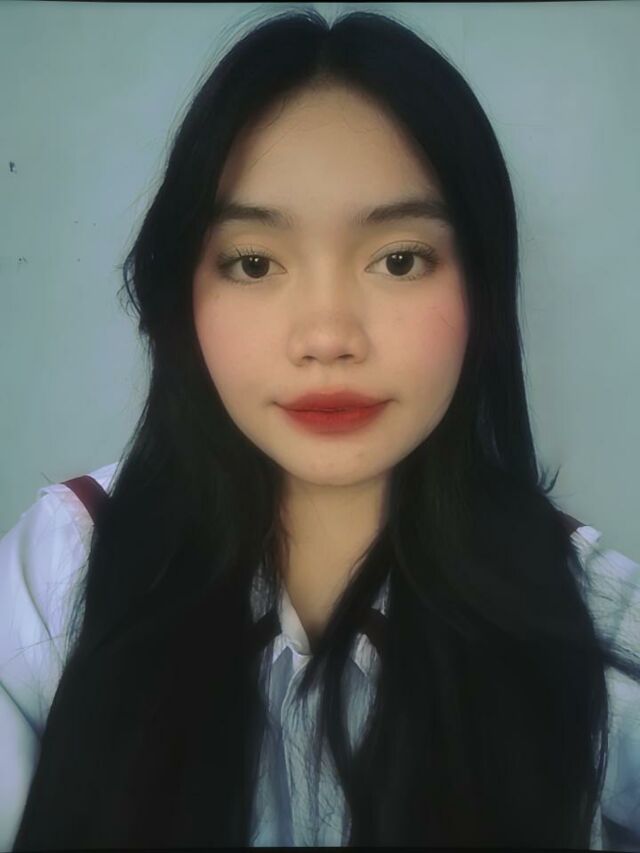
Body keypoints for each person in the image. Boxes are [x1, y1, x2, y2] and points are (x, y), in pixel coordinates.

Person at [2, 7, 639, 850]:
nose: (328, 336)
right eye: (254, 262)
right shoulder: (63, 569)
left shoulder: (590, 612)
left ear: (482, 289)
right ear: (181, 295)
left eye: (399, 259)